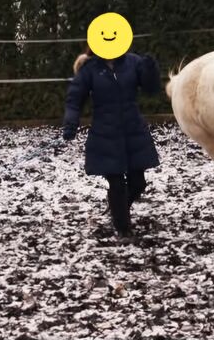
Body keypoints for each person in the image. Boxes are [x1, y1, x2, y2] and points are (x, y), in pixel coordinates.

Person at [62, 46, 161, 237]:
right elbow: (74, 99)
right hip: (104, 134)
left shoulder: (133, 62)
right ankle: (123, 228)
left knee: (138, 183)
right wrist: (70, 124)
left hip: (133, 131)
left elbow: (151, 89)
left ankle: (117, 209)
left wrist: (150, 68)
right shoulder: (89, 68)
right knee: (116, 184)